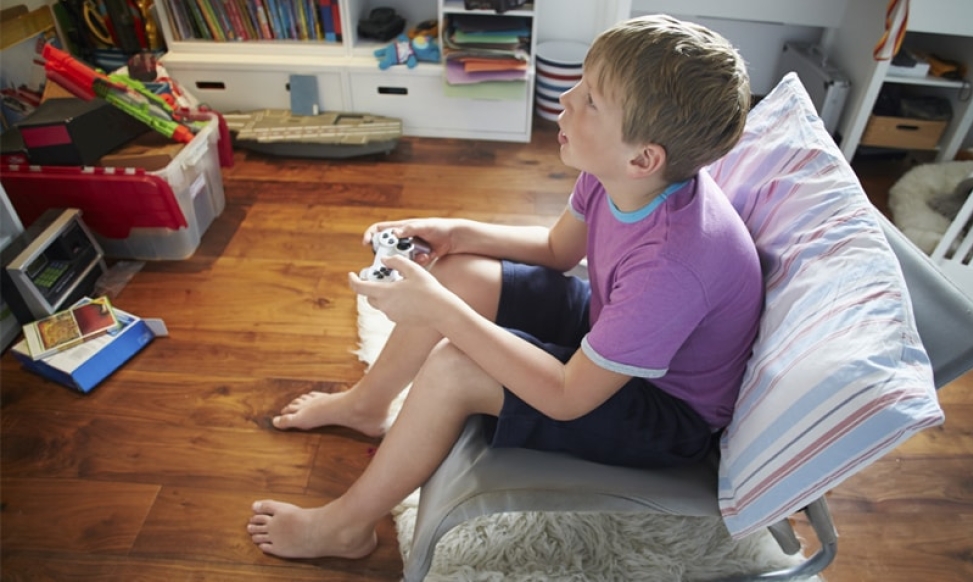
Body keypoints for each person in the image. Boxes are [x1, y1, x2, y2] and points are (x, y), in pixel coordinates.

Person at [247, 14, 762, 561]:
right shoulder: (620, 173)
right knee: (462, 272)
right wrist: (458, 232)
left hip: (662, 412)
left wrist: (443, 314)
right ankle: (366, 406)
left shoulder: (673, 267)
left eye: (591, 99)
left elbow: (567, 397)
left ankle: (345, 527)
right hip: (612, 330)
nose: (566, 97)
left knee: (455, 365)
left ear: (643, 157)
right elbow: (558, 251)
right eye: (581, 83)